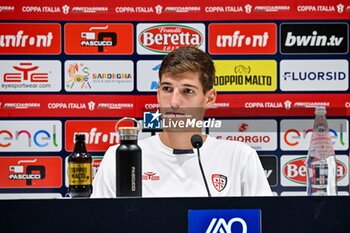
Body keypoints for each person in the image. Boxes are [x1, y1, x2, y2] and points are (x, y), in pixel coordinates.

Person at [91, 46, 272, 198]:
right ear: (157, 93)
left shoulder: (240, 157)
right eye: (167, 89)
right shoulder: (120, 157)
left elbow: (264, 223)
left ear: (209, 98)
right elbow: (100, 224)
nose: (174, 102)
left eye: (187, 91)